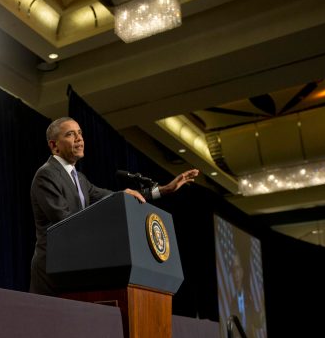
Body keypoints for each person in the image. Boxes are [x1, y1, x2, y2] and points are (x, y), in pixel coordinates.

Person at [30, 117, 199, 296]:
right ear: (54, 145)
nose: (79, 138)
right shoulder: (46, 175)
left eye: (80, 133)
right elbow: (66, 223)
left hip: (75, 269)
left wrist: (164, 190)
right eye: (70, 134)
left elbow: (116, 198)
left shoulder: (79, 178)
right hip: (54, 273)